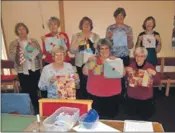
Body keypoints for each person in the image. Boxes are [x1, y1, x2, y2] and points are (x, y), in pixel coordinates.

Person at [83, 38, 125, 119]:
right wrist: (88, 62)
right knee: (96, 119)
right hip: (95, 96)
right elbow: (85, 72)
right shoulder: (94, 59)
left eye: (106, 48)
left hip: (112, 96)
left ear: (110, 49)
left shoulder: (114, 60)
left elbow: (123, 74)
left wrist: (118, 62)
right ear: (98, 50)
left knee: (111, 119)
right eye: (101, 48)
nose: (104, 51)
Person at [9, 22, 42, 114]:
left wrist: (34, 50)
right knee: (26, 91)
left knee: (35, 90)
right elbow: (11, 58)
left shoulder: (33, 41)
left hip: (35, 69)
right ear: (16, 32)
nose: (21, 31)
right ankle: (29, 110)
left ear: (26, 30)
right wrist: (17, 51)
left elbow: (40, 55)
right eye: (19, 29)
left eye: (23, 28)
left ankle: (37, 109)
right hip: (22, 70)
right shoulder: (13, 43)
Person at [106, 7, 134, 100]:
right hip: (113, 57)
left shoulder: (128, 29)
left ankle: (124, 96)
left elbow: (130, 46)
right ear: (115, 17)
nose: (120, 17)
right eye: (118, 15)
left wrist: (129, 38)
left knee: (124, 77)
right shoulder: (110, 28)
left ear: (124, 17)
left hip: (124, 56)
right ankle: (114, 96)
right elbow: (106, 45)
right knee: (113, 77)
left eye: (122, 15)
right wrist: (109, 38)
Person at [125, 47, 160, 120]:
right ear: (135, 56)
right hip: (132, 96)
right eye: (137, 56)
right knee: (130, 114)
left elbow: (157, 82)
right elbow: (126, 80)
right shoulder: (131, 65)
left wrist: (154, 73)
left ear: (145, 57)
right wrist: (126, 72)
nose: (139, 58)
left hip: (145, 97)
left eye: (141, 56)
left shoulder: (150, 66)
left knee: (145, 116)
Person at [70, 16, 100, 99]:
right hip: (80, 64)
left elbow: (98, 51)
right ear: (81, 25)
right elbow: (72, 50)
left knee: (93, 84)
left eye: (88, 23)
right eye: (84, 23)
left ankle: (92, 102)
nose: (86, 25)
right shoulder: (76, 36)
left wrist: (91, 45)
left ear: (91, 25)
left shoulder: (96, 36)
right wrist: (79, 41)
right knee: (81, 85)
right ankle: (83, 103)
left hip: (93, 64)